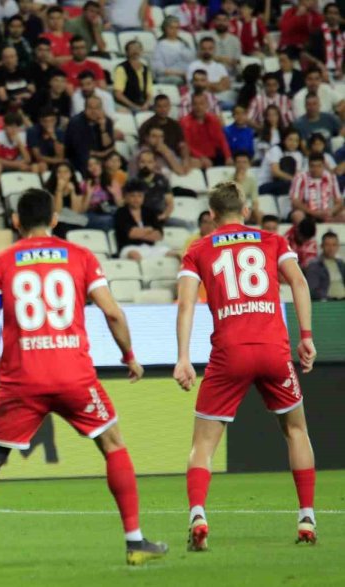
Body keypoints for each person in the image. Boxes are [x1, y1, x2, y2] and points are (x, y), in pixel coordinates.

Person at [0, 188, 167, 575]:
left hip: (22, 379)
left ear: (16, 221)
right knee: (113, 444)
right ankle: (135, 542)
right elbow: (112, 313)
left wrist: (0, 371)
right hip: (74, 375)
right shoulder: (80, 256)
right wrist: (129, 356)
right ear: (55, 218)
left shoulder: (0, 263)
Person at [174, 181, 318, 551]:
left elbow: (187, 305)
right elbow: (299, 282)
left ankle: (198, 515)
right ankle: (306, 517)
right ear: (247, 211)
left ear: (210, 216)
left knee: (203, 443)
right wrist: (306, 335)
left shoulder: (199, 249)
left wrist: (184, 357)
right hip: (274, 348)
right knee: (296, 431)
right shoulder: (271, 241)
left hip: (229, 352)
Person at [0, 112, 40, 214]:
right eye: (10, 127)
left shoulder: (20, 137)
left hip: (9, 166)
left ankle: (30, 200)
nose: (13, 130)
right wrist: (16, 164)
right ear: (5, 127)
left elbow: (27, 159)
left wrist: (19, 144)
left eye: (15, 127)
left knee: (32, 168)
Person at [115, 178, 170, 260]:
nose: (136, 199)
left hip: (150, 248)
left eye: (139, 196)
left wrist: (139, 232)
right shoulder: (121, 212)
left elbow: (159, 235)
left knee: (174, 254)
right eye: (132, 196)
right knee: (135, 256)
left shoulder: (149, 212)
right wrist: (149, 229)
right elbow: (130, 234)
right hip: (129, 248)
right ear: (126, 197)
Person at [65, 95, 115, 174]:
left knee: (117, 160)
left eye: (97, 108)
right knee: (88, 161)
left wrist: (103, 130)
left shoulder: (106, 121)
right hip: (80, 158)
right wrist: (102, 154)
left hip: (100, 157)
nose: (94, 111)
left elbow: (109, 146)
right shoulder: (75, 123)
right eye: (90, 108)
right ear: (85, 109)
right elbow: (80, 150)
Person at [181, 91, 232, 169]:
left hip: (214, 157)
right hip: (196, 158)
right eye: (195, 104)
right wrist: (201, 157)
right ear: (191, 106)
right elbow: (186, 145)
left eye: (201, 104)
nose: (198, 107)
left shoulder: (214, 119)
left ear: (207, 105)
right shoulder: (184, 122)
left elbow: (222, 140)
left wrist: (228, 156)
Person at [290, 154, 344, 225]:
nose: (315, 169)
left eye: (319, 166)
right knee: (297, 215)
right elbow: (295, 202)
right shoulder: (300, 178)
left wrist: (330, 212)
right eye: (312, 166)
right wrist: (313, 213)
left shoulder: (331, 178)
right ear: (308, 166)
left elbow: (339, 202)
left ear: (324, 166)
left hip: (326, 213)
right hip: (307, 214)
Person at [258, 128, 305, 195]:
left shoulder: (298, 155)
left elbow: (297, 174)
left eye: (296, 141)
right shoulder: (276, 150)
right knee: (290, 185)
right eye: (290, 139)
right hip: (266, 185)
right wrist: (293, 180)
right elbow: (275, 172)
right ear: (284, 139)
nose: (293, 143)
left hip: (286, 184)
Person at [152, 16, 195, 86]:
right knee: (178, 80)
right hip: (169, 76)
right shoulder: (160, 45)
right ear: (165, 29)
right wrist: (181, 73)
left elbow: (192, 60)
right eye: (171, 28)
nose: (174, 30)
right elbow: (159, 69)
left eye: (177, 28)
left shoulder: (184, 43)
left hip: (187, 74)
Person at [0, 46, 34, 114]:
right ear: (2, 60)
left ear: (17, 58)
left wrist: (17, 96)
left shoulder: (23, 70)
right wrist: (21, 96)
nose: (9, 60)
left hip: (28, 105)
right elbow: (3, 98)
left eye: (12, 57)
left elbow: (32, 91)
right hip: (9, 109)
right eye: (6, 57)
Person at [113, 40, 151, 113]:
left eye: (137, 48)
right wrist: (134, 106)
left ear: (141, 51)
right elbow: (118, 94)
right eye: (132, 49)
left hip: (143, 105)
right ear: (127, 52)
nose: (135, 51)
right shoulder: (121, 69)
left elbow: (149, 92)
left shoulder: (146, 69)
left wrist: (146, 104)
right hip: (127, 106)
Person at [306, 231, 345, 300]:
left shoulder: (341, 264)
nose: (331, 248)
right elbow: (312, 290)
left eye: (334, 245)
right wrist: (329, 298)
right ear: (322, 246)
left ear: (338, 246)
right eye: (327, 245)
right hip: (328, 302)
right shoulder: (314, 266)